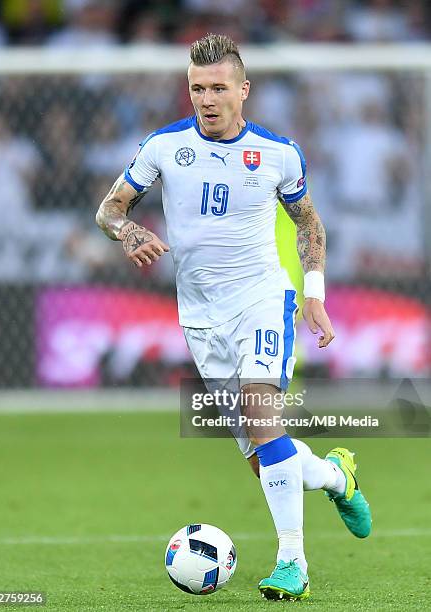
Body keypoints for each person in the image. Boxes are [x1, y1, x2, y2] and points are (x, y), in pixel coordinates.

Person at [96, 33, 371, 601]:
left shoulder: (278, 152)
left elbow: (309, 224)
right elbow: (110, 208)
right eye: (198, 88)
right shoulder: (163, 147)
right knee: (260, 450)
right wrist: (128, 232)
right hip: (201, 317)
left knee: (260, 408)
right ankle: (336, 476)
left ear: (244, 91)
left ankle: (292, 562)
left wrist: (313, 293)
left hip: (263, 299)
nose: (207, 99)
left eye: (219, 88)